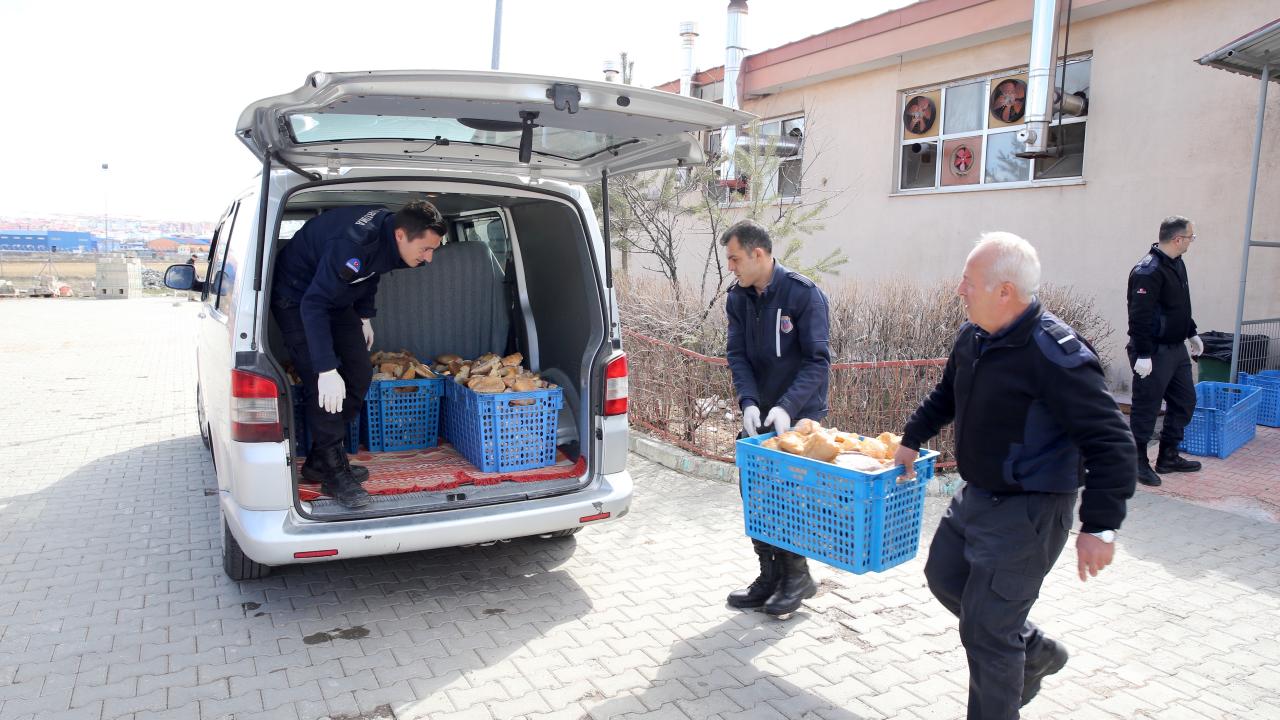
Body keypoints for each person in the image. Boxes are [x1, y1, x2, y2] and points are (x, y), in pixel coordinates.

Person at [892, 232, 1136, 720]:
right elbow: (947, 395)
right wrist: (912, 437)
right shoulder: (974, 337)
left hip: (1030, 511)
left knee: (987, 633)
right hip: (977, 495)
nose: (960, 290)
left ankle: (1008, 672)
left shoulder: (1054, 353)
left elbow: (1112, 442)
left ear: (1005, 291)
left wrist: (1100, 526)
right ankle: (1034, 653)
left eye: (969, 282)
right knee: (944, 575)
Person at [271, 200, 446, 509]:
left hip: (334, 298)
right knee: (320, 385)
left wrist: (364, 315)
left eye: (433, 250)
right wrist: (325, 369)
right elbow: (313, 304)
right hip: (298, 297)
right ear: (401, 235)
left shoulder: (389, 236)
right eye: (426, 249)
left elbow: (372, 271)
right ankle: (334, 473)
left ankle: (318, 461)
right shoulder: (352, 245)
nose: (429, 259)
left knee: (359, 373)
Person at [722, 219, 831, 617]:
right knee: (756, 493)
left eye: (735, 258)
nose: (731, 267)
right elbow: (738, 355)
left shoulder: (803, 295)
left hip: (799, 418)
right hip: (760, 415)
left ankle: (796, 577)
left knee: (791, 499)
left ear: (759, 254)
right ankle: (769, 576)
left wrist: (787, 407)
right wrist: (749, 401)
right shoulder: (739, 299)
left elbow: (818, 361)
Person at [1126, 216, 1203, 487]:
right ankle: (1137, 462)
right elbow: (1139, 317)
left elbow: (1180, 305)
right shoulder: (1148, 271)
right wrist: (1144, 354)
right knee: (1147, 409)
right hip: (1153, 352)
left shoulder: (1176, 264)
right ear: (1178, 239)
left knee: (1185, 401)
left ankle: (1168, 456)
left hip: (1175, 349)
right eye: (1191, 237)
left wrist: (1191, 332)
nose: (1193, 241)